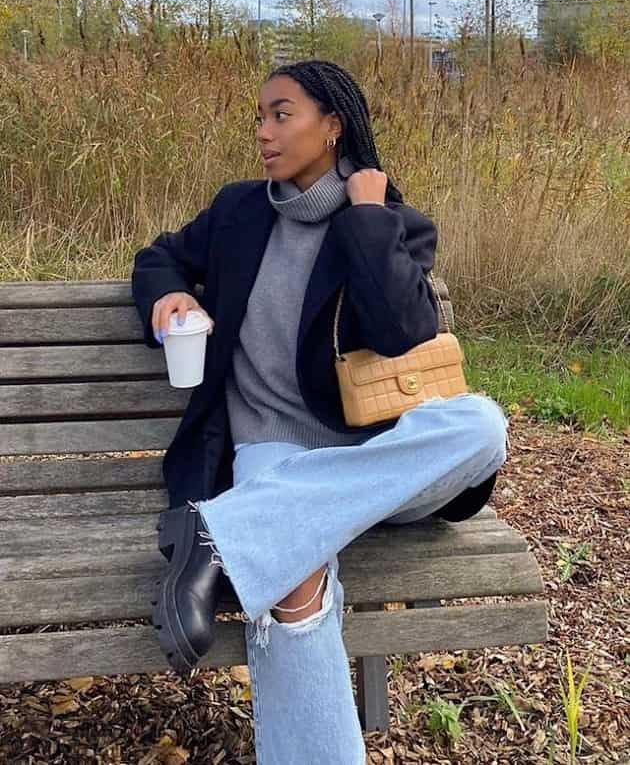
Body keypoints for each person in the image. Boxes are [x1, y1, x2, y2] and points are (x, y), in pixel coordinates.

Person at [131, 59, 509, 764]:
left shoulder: (392, 221)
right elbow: (159, 257)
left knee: (483, 426)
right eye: (259, 116)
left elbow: (401, 332)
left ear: (332, 126)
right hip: (271, 447)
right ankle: (249, 537)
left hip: (368, 453)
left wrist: (365, 218)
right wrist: (167, 296)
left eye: (282, 114)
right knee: (291, 581)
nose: (263, 132)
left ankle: (221, 534)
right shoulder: (239, 212)